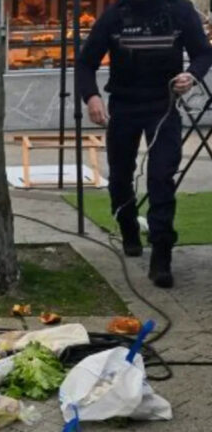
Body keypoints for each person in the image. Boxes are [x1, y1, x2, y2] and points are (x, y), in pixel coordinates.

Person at [76, 0, 212, 289]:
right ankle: (128, 227)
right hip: (124, 104)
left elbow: (203, 53)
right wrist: (92, 97)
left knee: (161, 177)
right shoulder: (115, 14)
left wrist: (192, 75)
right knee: (121, 173)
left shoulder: (179, 9)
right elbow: (86, 63)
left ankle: (161, 254)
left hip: (163, 105)